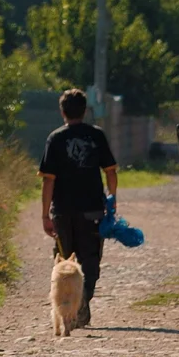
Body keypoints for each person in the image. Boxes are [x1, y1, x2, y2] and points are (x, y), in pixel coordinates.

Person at [40, 88, 118, 327]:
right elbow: (110, 171)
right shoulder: (96, 135)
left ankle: (66, 307)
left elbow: (48, 179)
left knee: (63, 260)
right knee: (90, 258)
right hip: (92, 210)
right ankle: (82, 301)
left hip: (62, 210)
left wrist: (45, 214)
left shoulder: (55, 138)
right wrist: (112, 199)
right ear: (85, 111)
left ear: (62, 111)